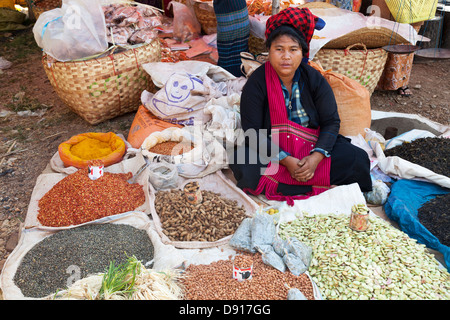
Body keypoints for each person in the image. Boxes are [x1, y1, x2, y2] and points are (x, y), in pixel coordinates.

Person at [228, 7, 372, 206]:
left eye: (293, 50)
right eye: (279, 49)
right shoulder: (257, 83)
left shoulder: (313, 78)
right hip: (274, 149)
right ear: (268, 51)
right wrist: (286, 160)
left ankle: (293, 183)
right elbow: (252, 131)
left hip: (311, 145)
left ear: (302, 52)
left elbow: (331, 121)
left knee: (356, 157)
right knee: (242, 159)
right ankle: (314, 185)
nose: (286, 56)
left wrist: (315, 158)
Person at [213, 0, 250, 77]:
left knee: (239, 43)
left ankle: (239, 70)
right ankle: (231, 72)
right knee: (227, 42)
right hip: (226, 8)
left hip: (237, 7)